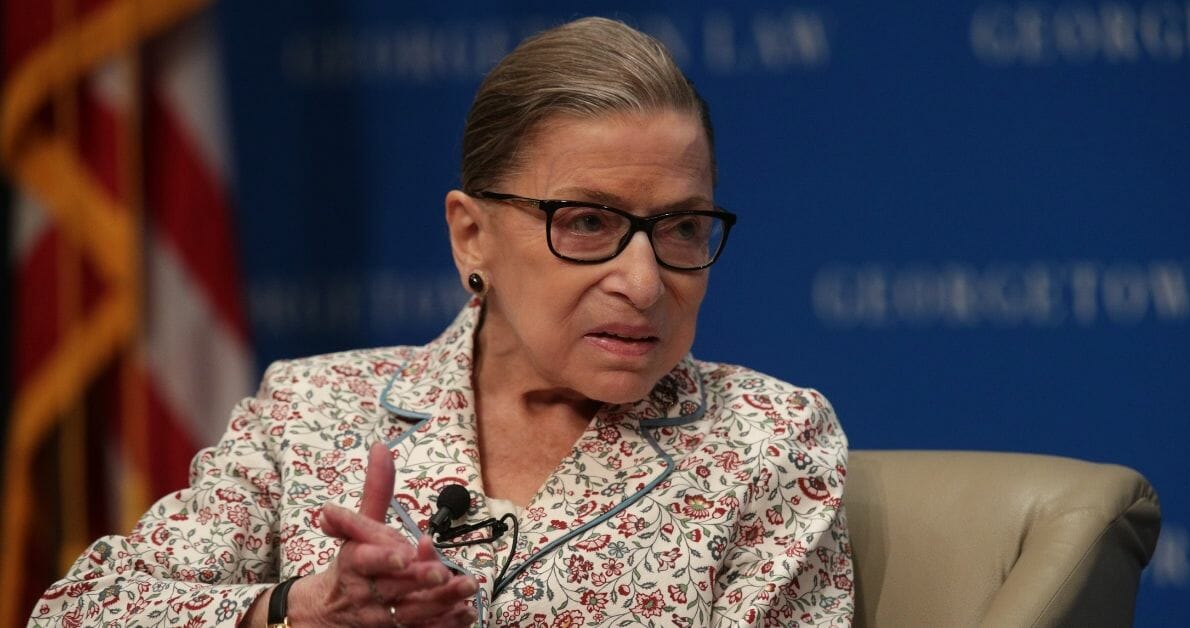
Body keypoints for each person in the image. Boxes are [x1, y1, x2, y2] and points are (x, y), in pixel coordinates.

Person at [29, 16, 853, 627]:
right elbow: (77, 613)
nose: (643, 282)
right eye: (589, 224)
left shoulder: (766, 439)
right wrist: (292, 611)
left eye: (679, 227)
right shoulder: (312, 409)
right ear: (472, 234)